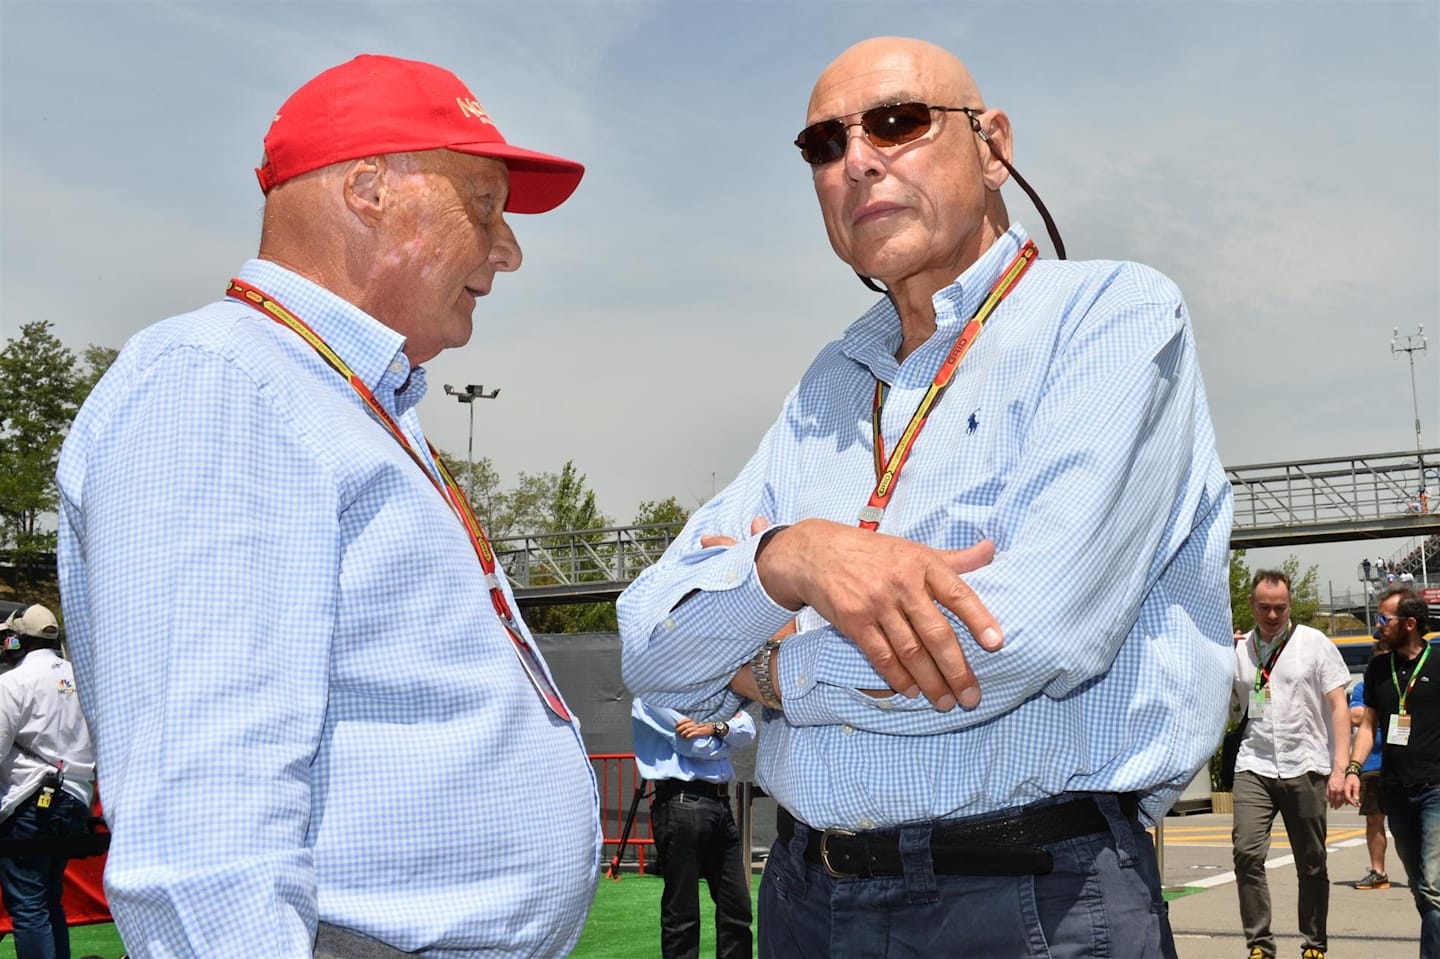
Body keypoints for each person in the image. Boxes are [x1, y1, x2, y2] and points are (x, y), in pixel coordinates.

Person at [618, 35, 1233, 958]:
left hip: (1025, 900)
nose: (857, 158)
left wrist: (774, 670)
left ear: (993, 148)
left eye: (897, 122)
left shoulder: (1110, 316)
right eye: (823, 144)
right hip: (802, 895)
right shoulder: (828, 384)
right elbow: (650, 644)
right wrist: (792, 557)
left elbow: (1018, 637)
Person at [55, 55, 599, 958]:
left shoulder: (324, 392)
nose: (508, 248)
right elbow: (203, 839)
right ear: (369, 190)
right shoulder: (222, 385)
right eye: (486, 204)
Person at [1229, 570, 1350, 959]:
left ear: (1289, 605)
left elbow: (1338, 706)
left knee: (1312, 863)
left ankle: (1314, 942)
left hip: (1306, 763)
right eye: (1264, 607)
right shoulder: (1239, 650)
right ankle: (1259, 944)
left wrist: (1340, 767)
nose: (1272, 615)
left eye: (1279, 607)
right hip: (1255, 762)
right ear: (1251, 605)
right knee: (1247, 853)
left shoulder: (1314, 643)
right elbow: (1232, 708)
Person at [0, 604, 97, 959]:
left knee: (28, 904)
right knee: (48, 896)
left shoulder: (12, 682)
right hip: (75, 797)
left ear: (17, 639)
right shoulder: (82, 677)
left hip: (31, 801)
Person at [1346, 587, 1439, 957]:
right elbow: (1367, 725)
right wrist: (1353, 768)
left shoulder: (1438, 661)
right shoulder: (1377, 668)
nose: (1378, 626)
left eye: (1385, 619)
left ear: (1411, 623)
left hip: (1436, 786)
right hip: (1395, 789)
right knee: (1419, 885)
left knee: (1433, 884)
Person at [632, 698, 756, 959]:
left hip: (719, 803)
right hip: (681, 801)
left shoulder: (709, 692)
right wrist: (725, 731)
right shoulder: (651, 694)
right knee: (682, 913)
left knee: (737, 909)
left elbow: (748, 729)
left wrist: (714, 727)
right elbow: (695, 744)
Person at [1348, 652, 1389, 890]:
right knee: (1374, 819)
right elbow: (1354, 715)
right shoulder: (1364, 687)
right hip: (1373, 764)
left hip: (1408, 764)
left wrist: (1374, 714)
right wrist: (1388, 710)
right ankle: (1378, 872)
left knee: (1420, 821)